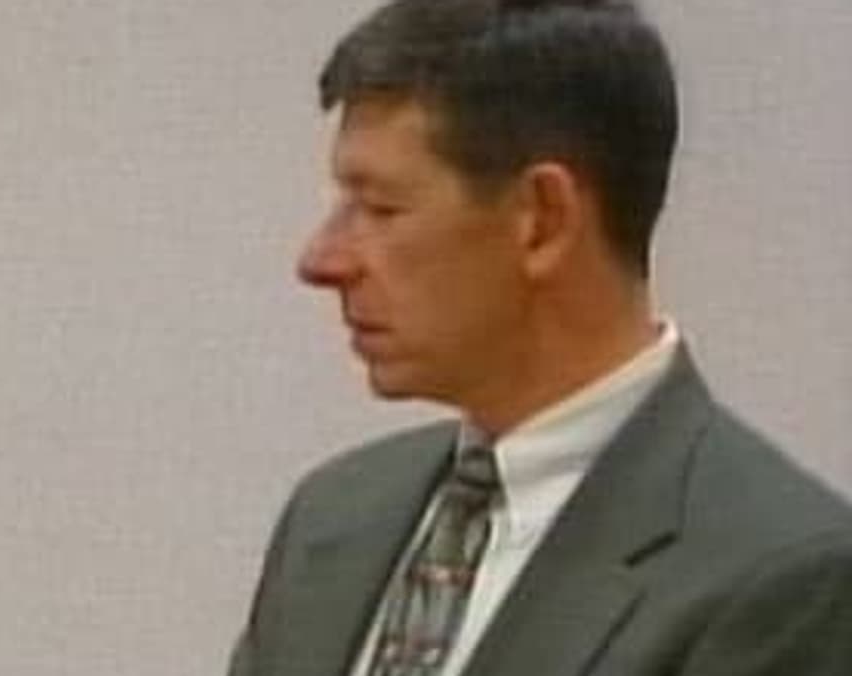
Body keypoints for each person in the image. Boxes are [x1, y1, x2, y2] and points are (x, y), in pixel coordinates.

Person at [231, 1, 852, 674]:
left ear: (544, 219)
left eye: (381, 208)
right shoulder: (334, 517)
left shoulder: (780, 575)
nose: (321, 260)